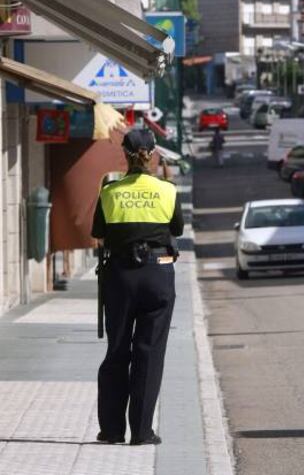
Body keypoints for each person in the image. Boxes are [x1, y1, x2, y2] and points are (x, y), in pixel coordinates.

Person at [91, 128, 184, 446]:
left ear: (125, 154)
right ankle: (142, 432)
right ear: (153, 154)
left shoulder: (109, 191)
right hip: (158, 276)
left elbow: (98, 233)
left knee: (117, 351)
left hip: (119, 278)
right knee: (150, 354)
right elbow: (178, 228)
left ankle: (112, 430)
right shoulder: (168, 190)